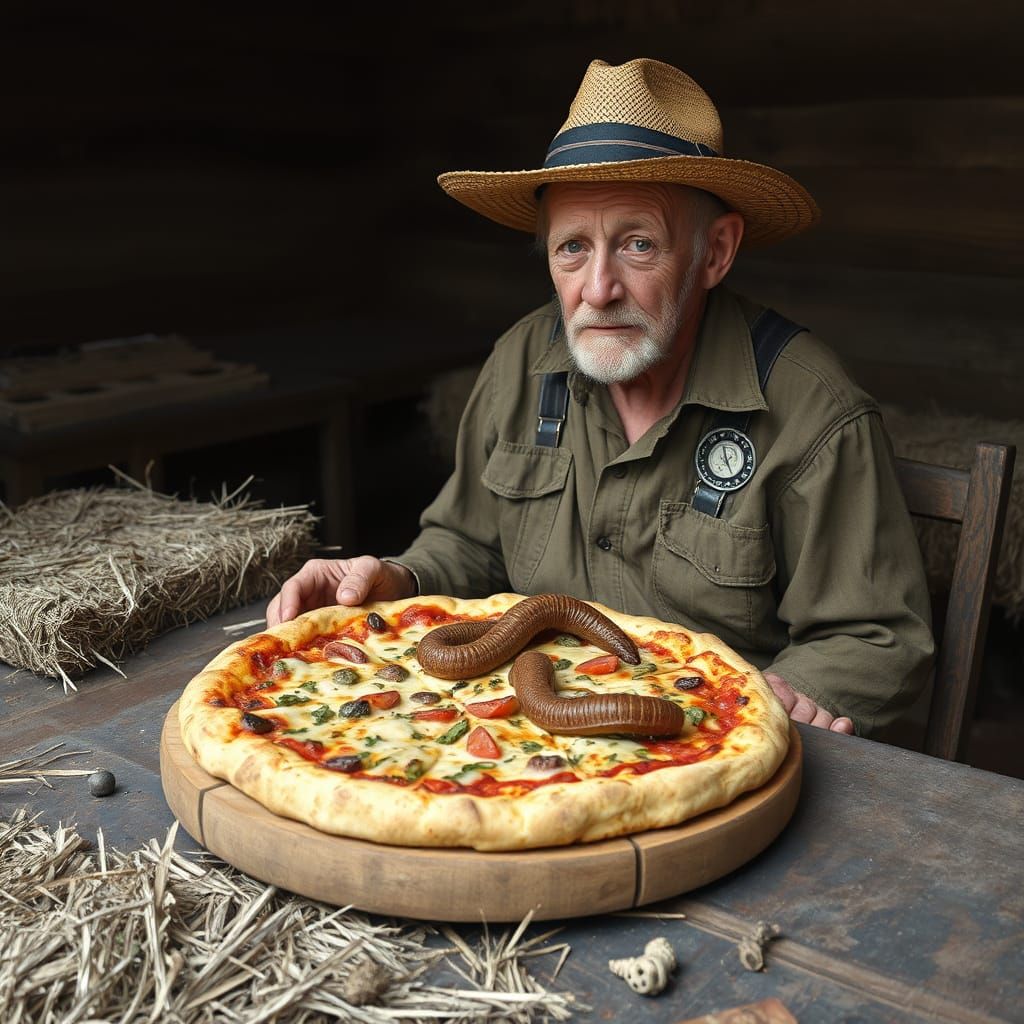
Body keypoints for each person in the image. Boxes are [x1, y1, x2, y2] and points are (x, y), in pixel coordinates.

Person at [268, 57, 934, 738]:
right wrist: (392, 581)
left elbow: (877, 638)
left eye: (638, 245)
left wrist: (791, 697)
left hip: (702, 740)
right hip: (523, 742)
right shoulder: (521, 362)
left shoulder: (813, 408)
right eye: (572, 249)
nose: (597, 289)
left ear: (716, 252)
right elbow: (468, 543)